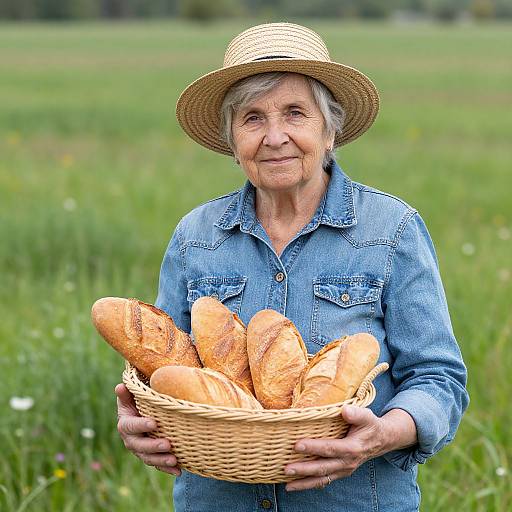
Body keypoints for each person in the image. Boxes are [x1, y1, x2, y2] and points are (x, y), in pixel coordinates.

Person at [115, 22, 469, 511]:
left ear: (329, 129)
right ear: (232, 139)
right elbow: (161, 371)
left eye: (295, 113)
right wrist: (139, 417)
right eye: (252, 118)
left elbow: (438, 378)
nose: (274, 136)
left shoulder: (391, 230)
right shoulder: (195, 237)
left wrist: (383, 433)